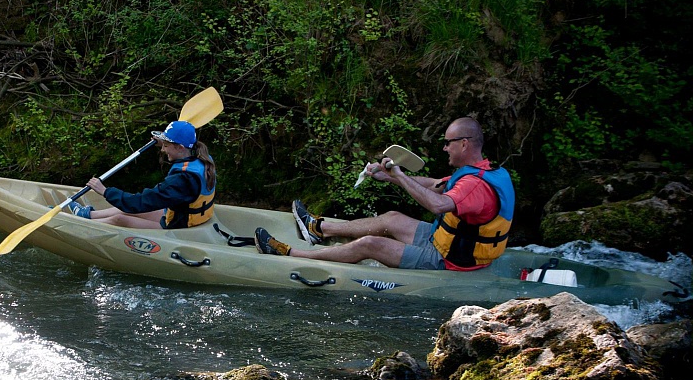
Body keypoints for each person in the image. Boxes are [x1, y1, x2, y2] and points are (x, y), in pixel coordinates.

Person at [254, 117, 515, 271]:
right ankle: (319, 228)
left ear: (464, 144)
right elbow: (436, 185)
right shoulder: (480, 170)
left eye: (448, 143)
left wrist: (400, 175)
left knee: (371, 244)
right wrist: (391, 177)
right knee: (391, 217)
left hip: (451, 259)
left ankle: (292, 255)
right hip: (443, 238)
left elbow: (438, 205)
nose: (445, 148)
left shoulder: (476, 186)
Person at [68, 120, 217, 229]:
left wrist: (105, 191)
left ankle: (79, 227)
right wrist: (163, 141)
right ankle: (87, 216)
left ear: (179, 147)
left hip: (179, 226)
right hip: (184, 214)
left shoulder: (182, 180)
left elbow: (140, 202)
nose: (163, 150)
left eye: (166, 146)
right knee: (124, 208)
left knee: (121, 218)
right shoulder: (202, 157)